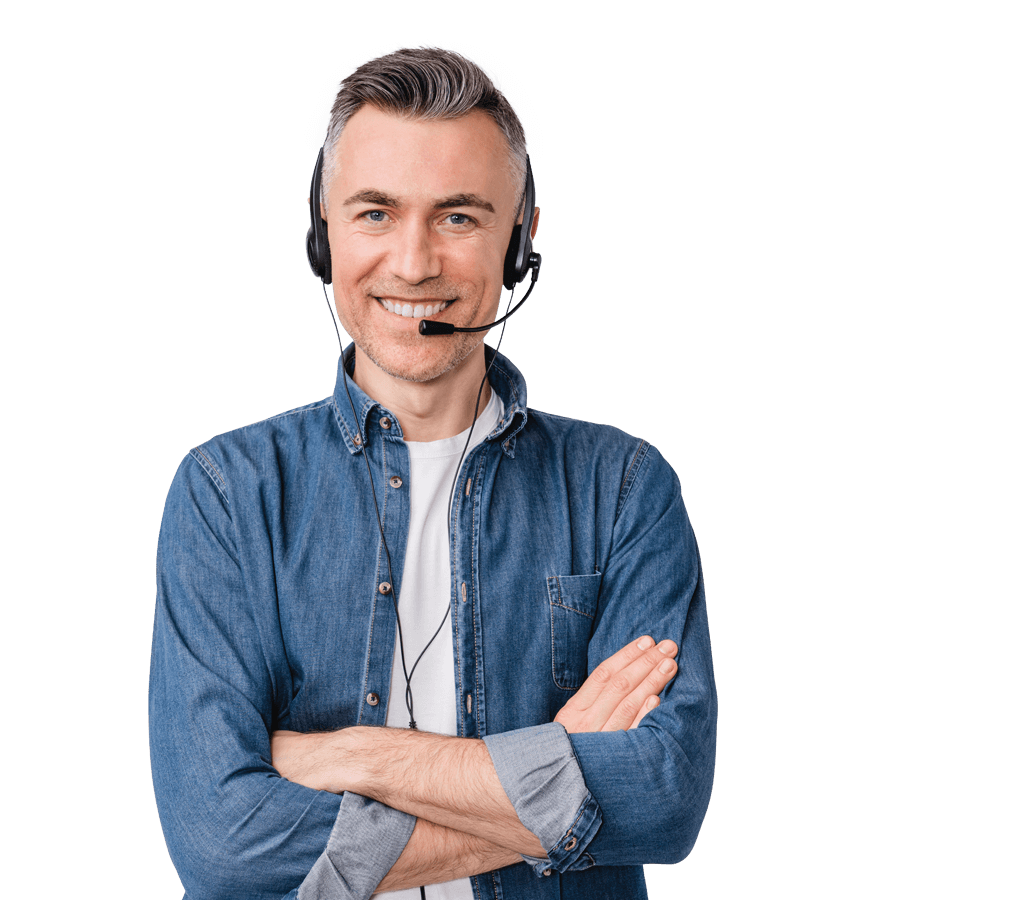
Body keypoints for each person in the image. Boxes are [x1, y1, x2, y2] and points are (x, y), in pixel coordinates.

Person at [150, 43, 716, 899]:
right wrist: (553, 786)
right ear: (321, 228)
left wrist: (352, 757)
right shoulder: (228, 491)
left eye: (458, 217)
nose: (414, 265)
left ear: (521, 241)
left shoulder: (625, 486)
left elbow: (665, 803)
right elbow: (221, 843)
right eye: (376, 213)